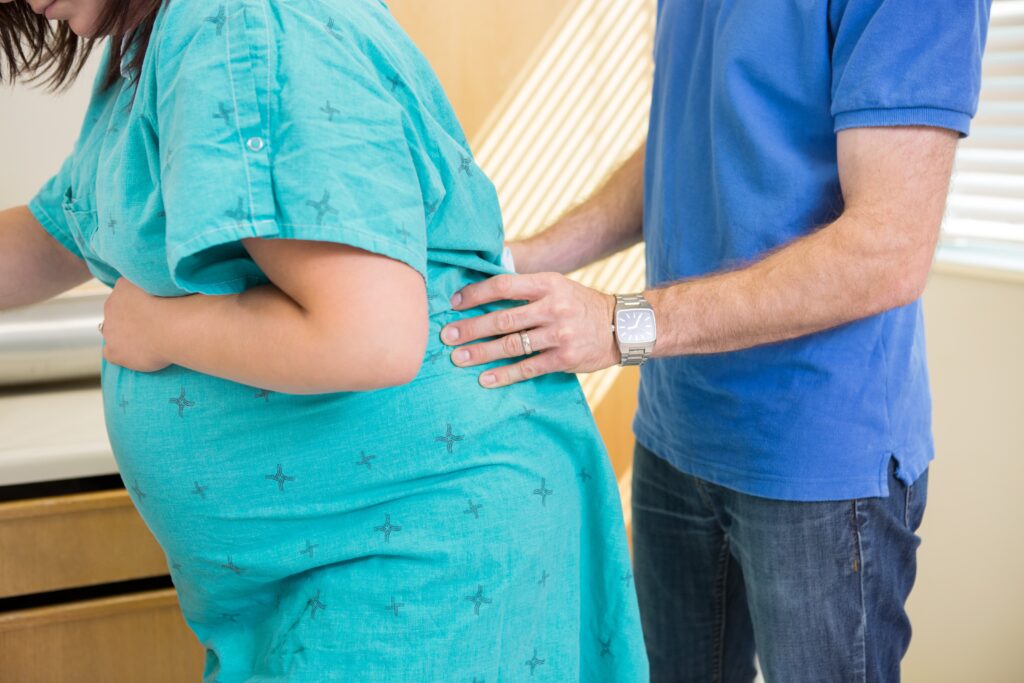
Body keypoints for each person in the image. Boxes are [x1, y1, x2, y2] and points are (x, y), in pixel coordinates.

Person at [0, 0, 649, 680]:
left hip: (414, 552)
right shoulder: (150, 40)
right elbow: (64, 228)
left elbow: (369, 336)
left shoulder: (235, 21)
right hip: (333, 560)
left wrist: (161, 327)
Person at [440, 1, 991, 681]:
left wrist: (618, 326)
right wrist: (527, 257)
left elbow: (887, 249)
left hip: (817, 460)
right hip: (678, 431)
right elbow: (685, 143)